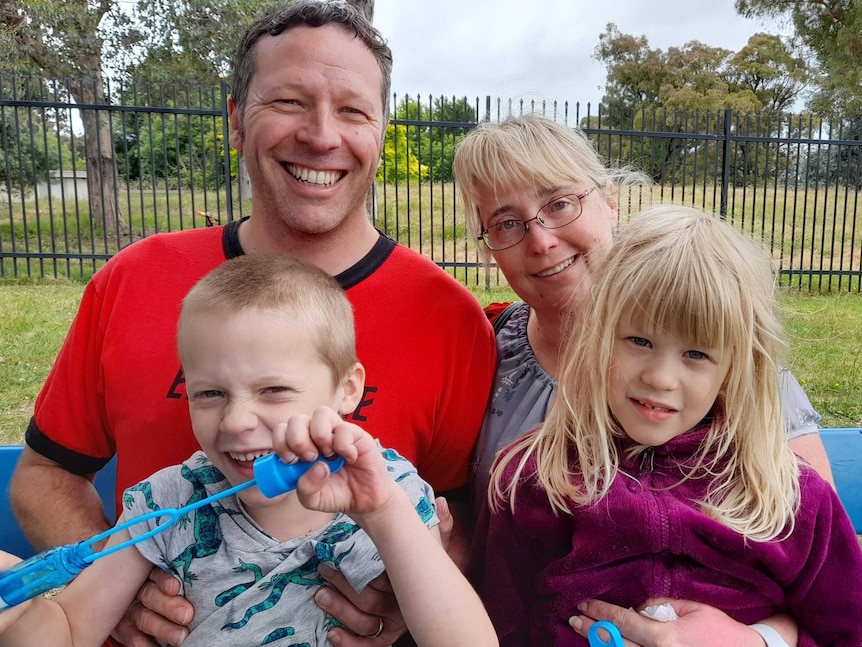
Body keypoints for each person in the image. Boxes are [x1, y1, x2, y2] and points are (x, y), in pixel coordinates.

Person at [9, 2, 495, 646]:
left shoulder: (452, 318)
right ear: (237, 121)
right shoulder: (135, 279)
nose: (322, 136)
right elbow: (45, 475)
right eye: (289, 101)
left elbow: (463, 518)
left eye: (353, 110)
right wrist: (117, 589)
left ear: (380, 129)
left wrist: (409, 592)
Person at [452, 114, 832, 644]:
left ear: (610, 201)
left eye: (559, 204)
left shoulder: (730, 357)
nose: (540, 241)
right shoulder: (480, 356)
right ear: (488, 242)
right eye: (507, 222)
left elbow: (815, 562)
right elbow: (471, 544)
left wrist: (761, 640)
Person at [0, 255, 498, 647]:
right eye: (210, 394)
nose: (236, 422)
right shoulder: (166, 503)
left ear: (348, 390)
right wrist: (14, 602)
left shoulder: (386, 490)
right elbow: (66, 633)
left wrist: (386, 515)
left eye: (274, 391)